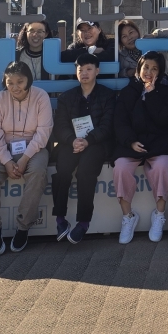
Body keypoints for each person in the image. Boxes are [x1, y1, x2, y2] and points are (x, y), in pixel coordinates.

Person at [0, 61, 53, 254]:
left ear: (29, 79)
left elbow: (43, 133)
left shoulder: (41, 96)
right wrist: (6, 161)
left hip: (34, 148)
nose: (15, 87)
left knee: (38, 172)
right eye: (10, 82)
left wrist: (24, 158)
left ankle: (23, 227)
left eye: (20, 81)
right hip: (2, 148)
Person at [113, 51, 168, 243]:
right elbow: (120, 122)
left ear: (160, 72)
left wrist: (151, 95)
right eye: (146, 67)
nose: (149, 72)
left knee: (161, 168)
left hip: (159, 143)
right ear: (139, 68)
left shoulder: (167, 92)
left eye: (154, 69)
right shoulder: (128, 92)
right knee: (121, 168)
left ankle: (159, 214)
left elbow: (165, 121)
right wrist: (130, 141)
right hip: (133, 144)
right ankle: (128, 216)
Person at [51, 53, 116, 244]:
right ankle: (60, 219)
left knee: (86, 173)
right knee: (63, 170)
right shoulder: (67, 97)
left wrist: (88, 140)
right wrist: (72, 140)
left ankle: (83, 222)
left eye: (89, 69)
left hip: (96, 143)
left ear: (97, 71)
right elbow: (60, 126)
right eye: (80, 70)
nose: (84, 73)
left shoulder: (107, 95)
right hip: (71, 143)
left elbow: (107, 125)